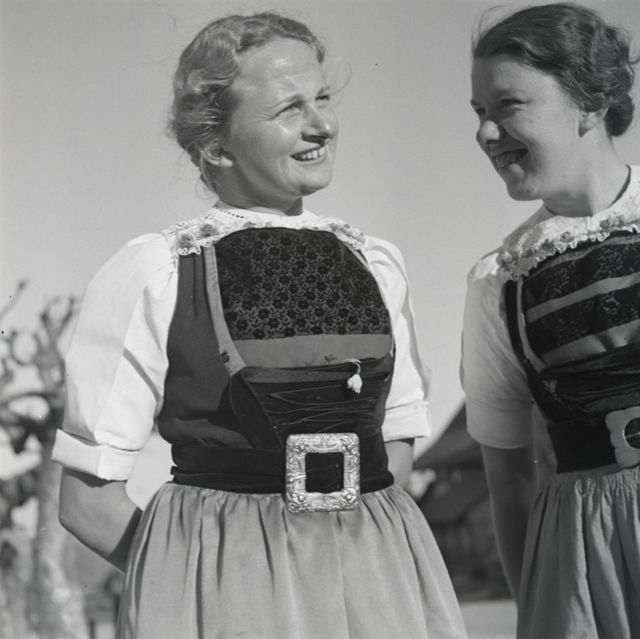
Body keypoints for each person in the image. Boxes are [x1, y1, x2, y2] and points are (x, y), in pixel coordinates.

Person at [52, 12, 467, 639]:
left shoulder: (375, 263)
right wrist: (194, 591)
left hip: (377, 584)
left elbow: (398, 445)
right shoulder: (157, 271)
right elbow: (87, 503)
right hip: (229, 599)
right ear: (215, 145)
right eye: (289, 108)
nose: (321, 124)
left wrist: (347, 575)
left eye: (322, 98)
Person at [462, 3, 640, 638]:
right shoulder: (499, 279)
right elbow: (507, 477)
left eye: (507, 105)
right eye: (479, 112)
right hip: (585, 563)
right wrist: (541, 608)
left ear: (589, 103)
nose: (486, 133)